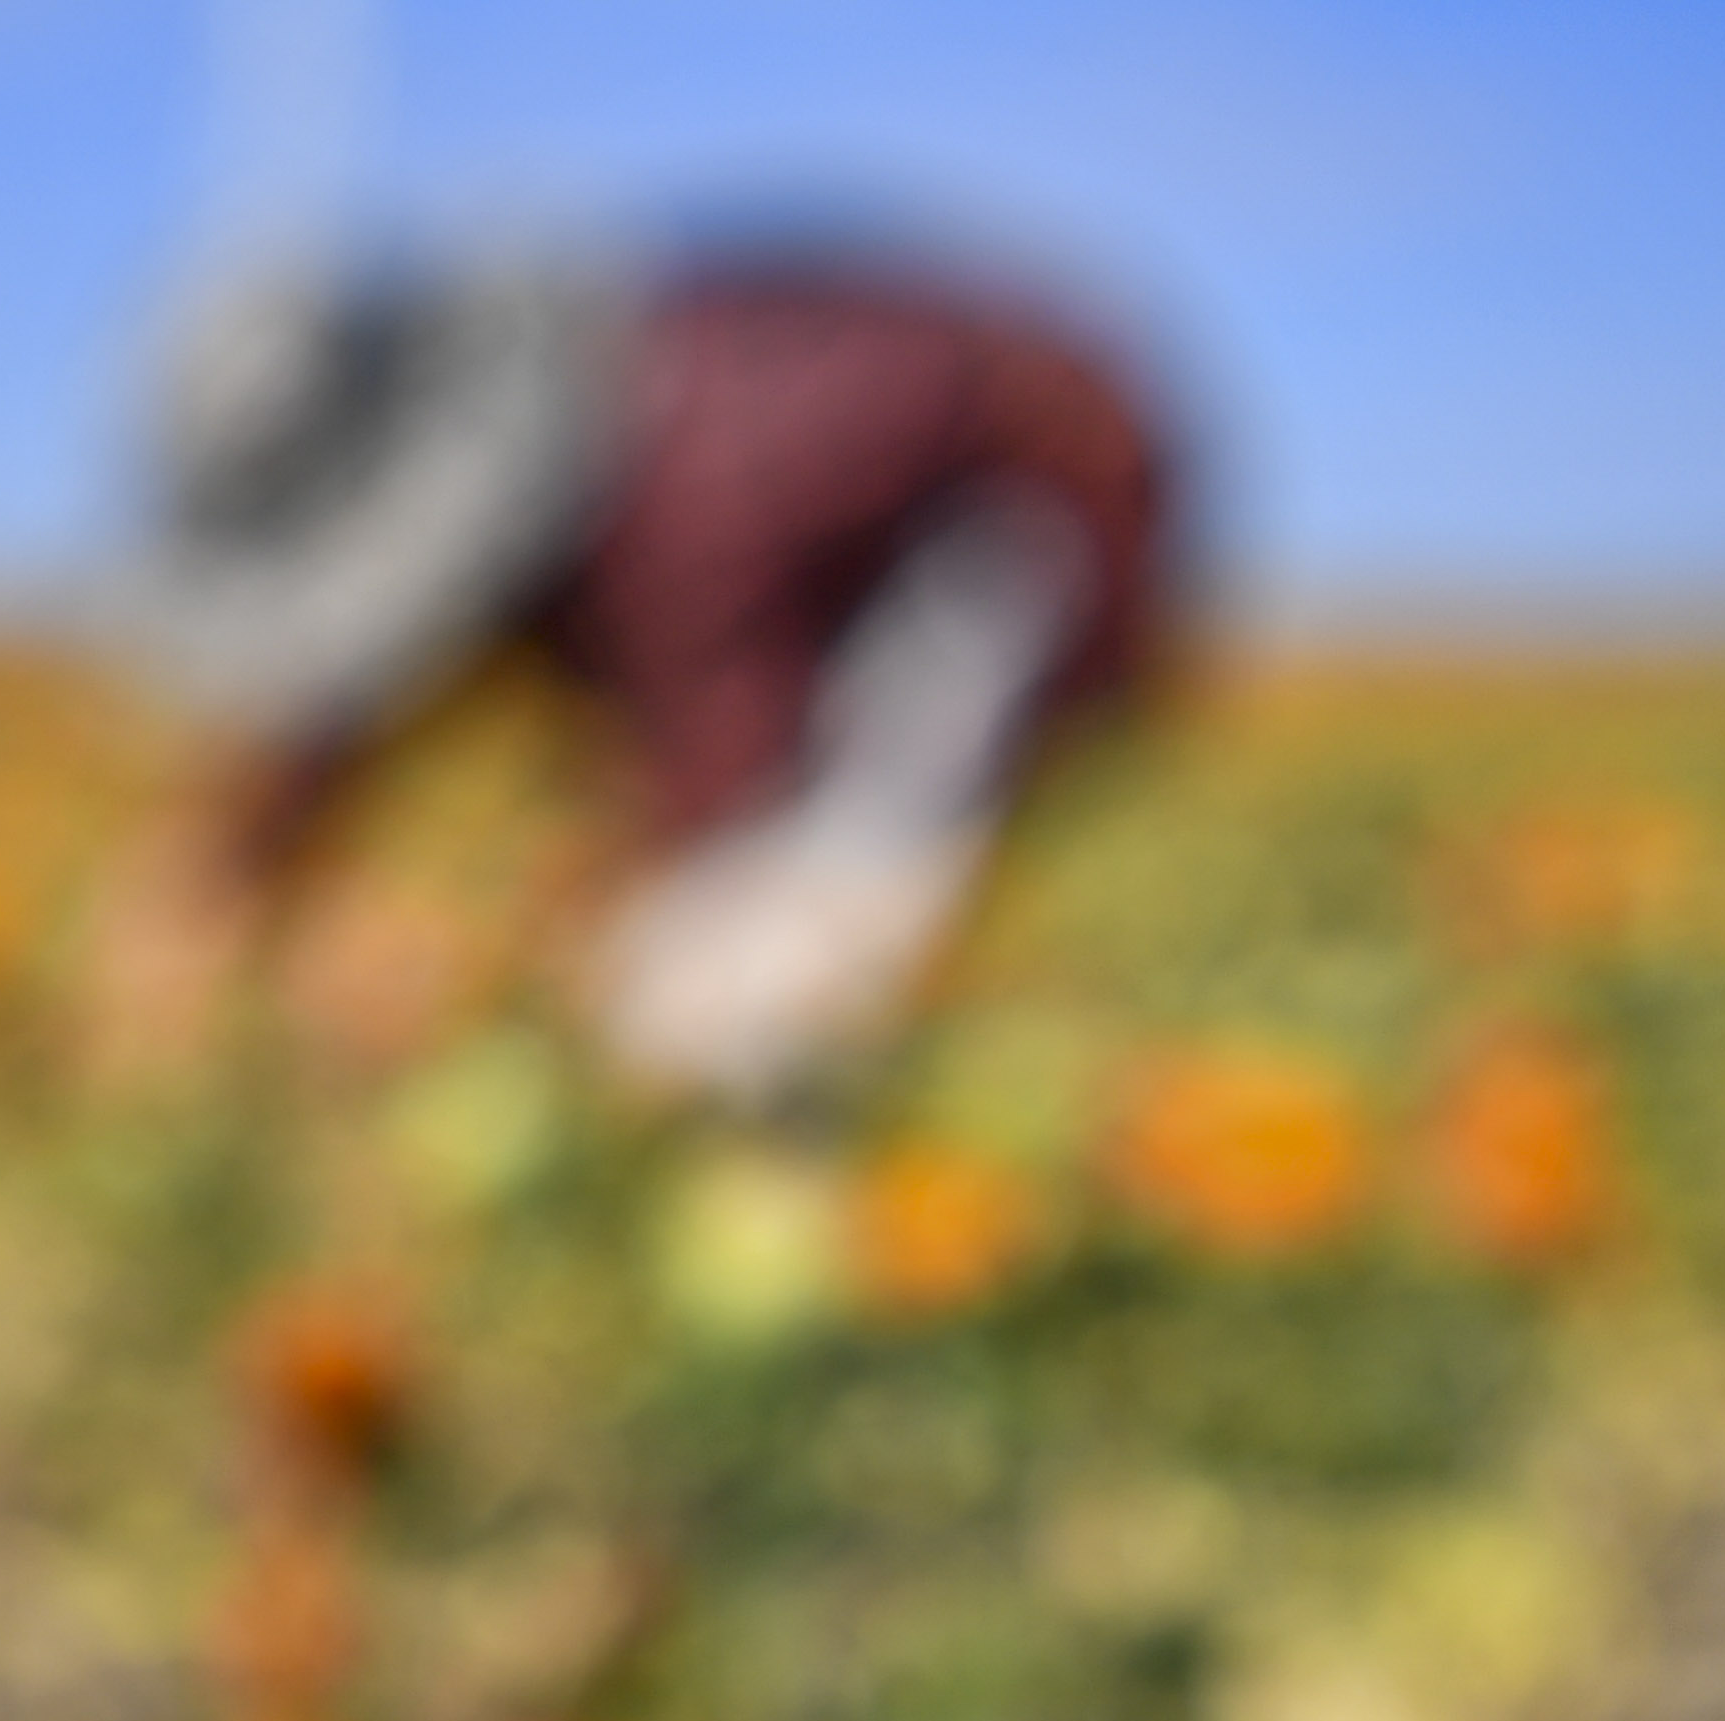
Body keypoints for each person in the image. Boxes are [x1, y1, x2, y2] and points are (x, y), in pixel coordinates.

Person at [115, 236, 1184, 1102]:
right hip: (848, 519)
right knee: (652, 941)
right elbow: (363, 670)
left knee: (716, 985)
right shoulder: (513, 454)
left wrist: (525, 956)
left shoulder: (696, 502)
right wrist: (231, 864)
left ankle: (825, 1165)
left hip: (1026, 516)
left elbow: (726, 804)